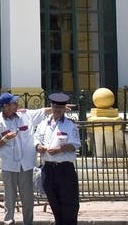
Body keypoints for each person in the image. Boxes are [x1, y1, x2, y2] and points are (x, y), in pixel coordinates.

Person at [0, 91, 49, 225]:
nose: (16, 105)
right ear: (5, 106)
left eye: (16, 102)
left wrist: (59, 108)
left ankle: (28, 222)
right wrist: (5, 138)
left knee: (27, 197)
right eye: (13, 103)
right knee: (9, 196)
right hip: (9, 165)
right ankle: (9, 221)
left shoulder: (25, 115)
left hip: (26, 164)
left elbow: (43, 111)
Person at [34, 92, 80, 225]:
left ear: (65, 108)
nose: (57, 110)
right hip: (48, 168)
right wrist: (38, 147)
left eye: (60, 108)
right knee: (54, 202)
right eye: (55, 107)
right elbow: (36, 139)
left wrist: (59, 150)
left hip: (64, 169)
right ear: (51, 107)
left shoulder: (70, 125)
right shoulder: (43, 124)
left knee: (69, 204)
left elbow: (75, 145)